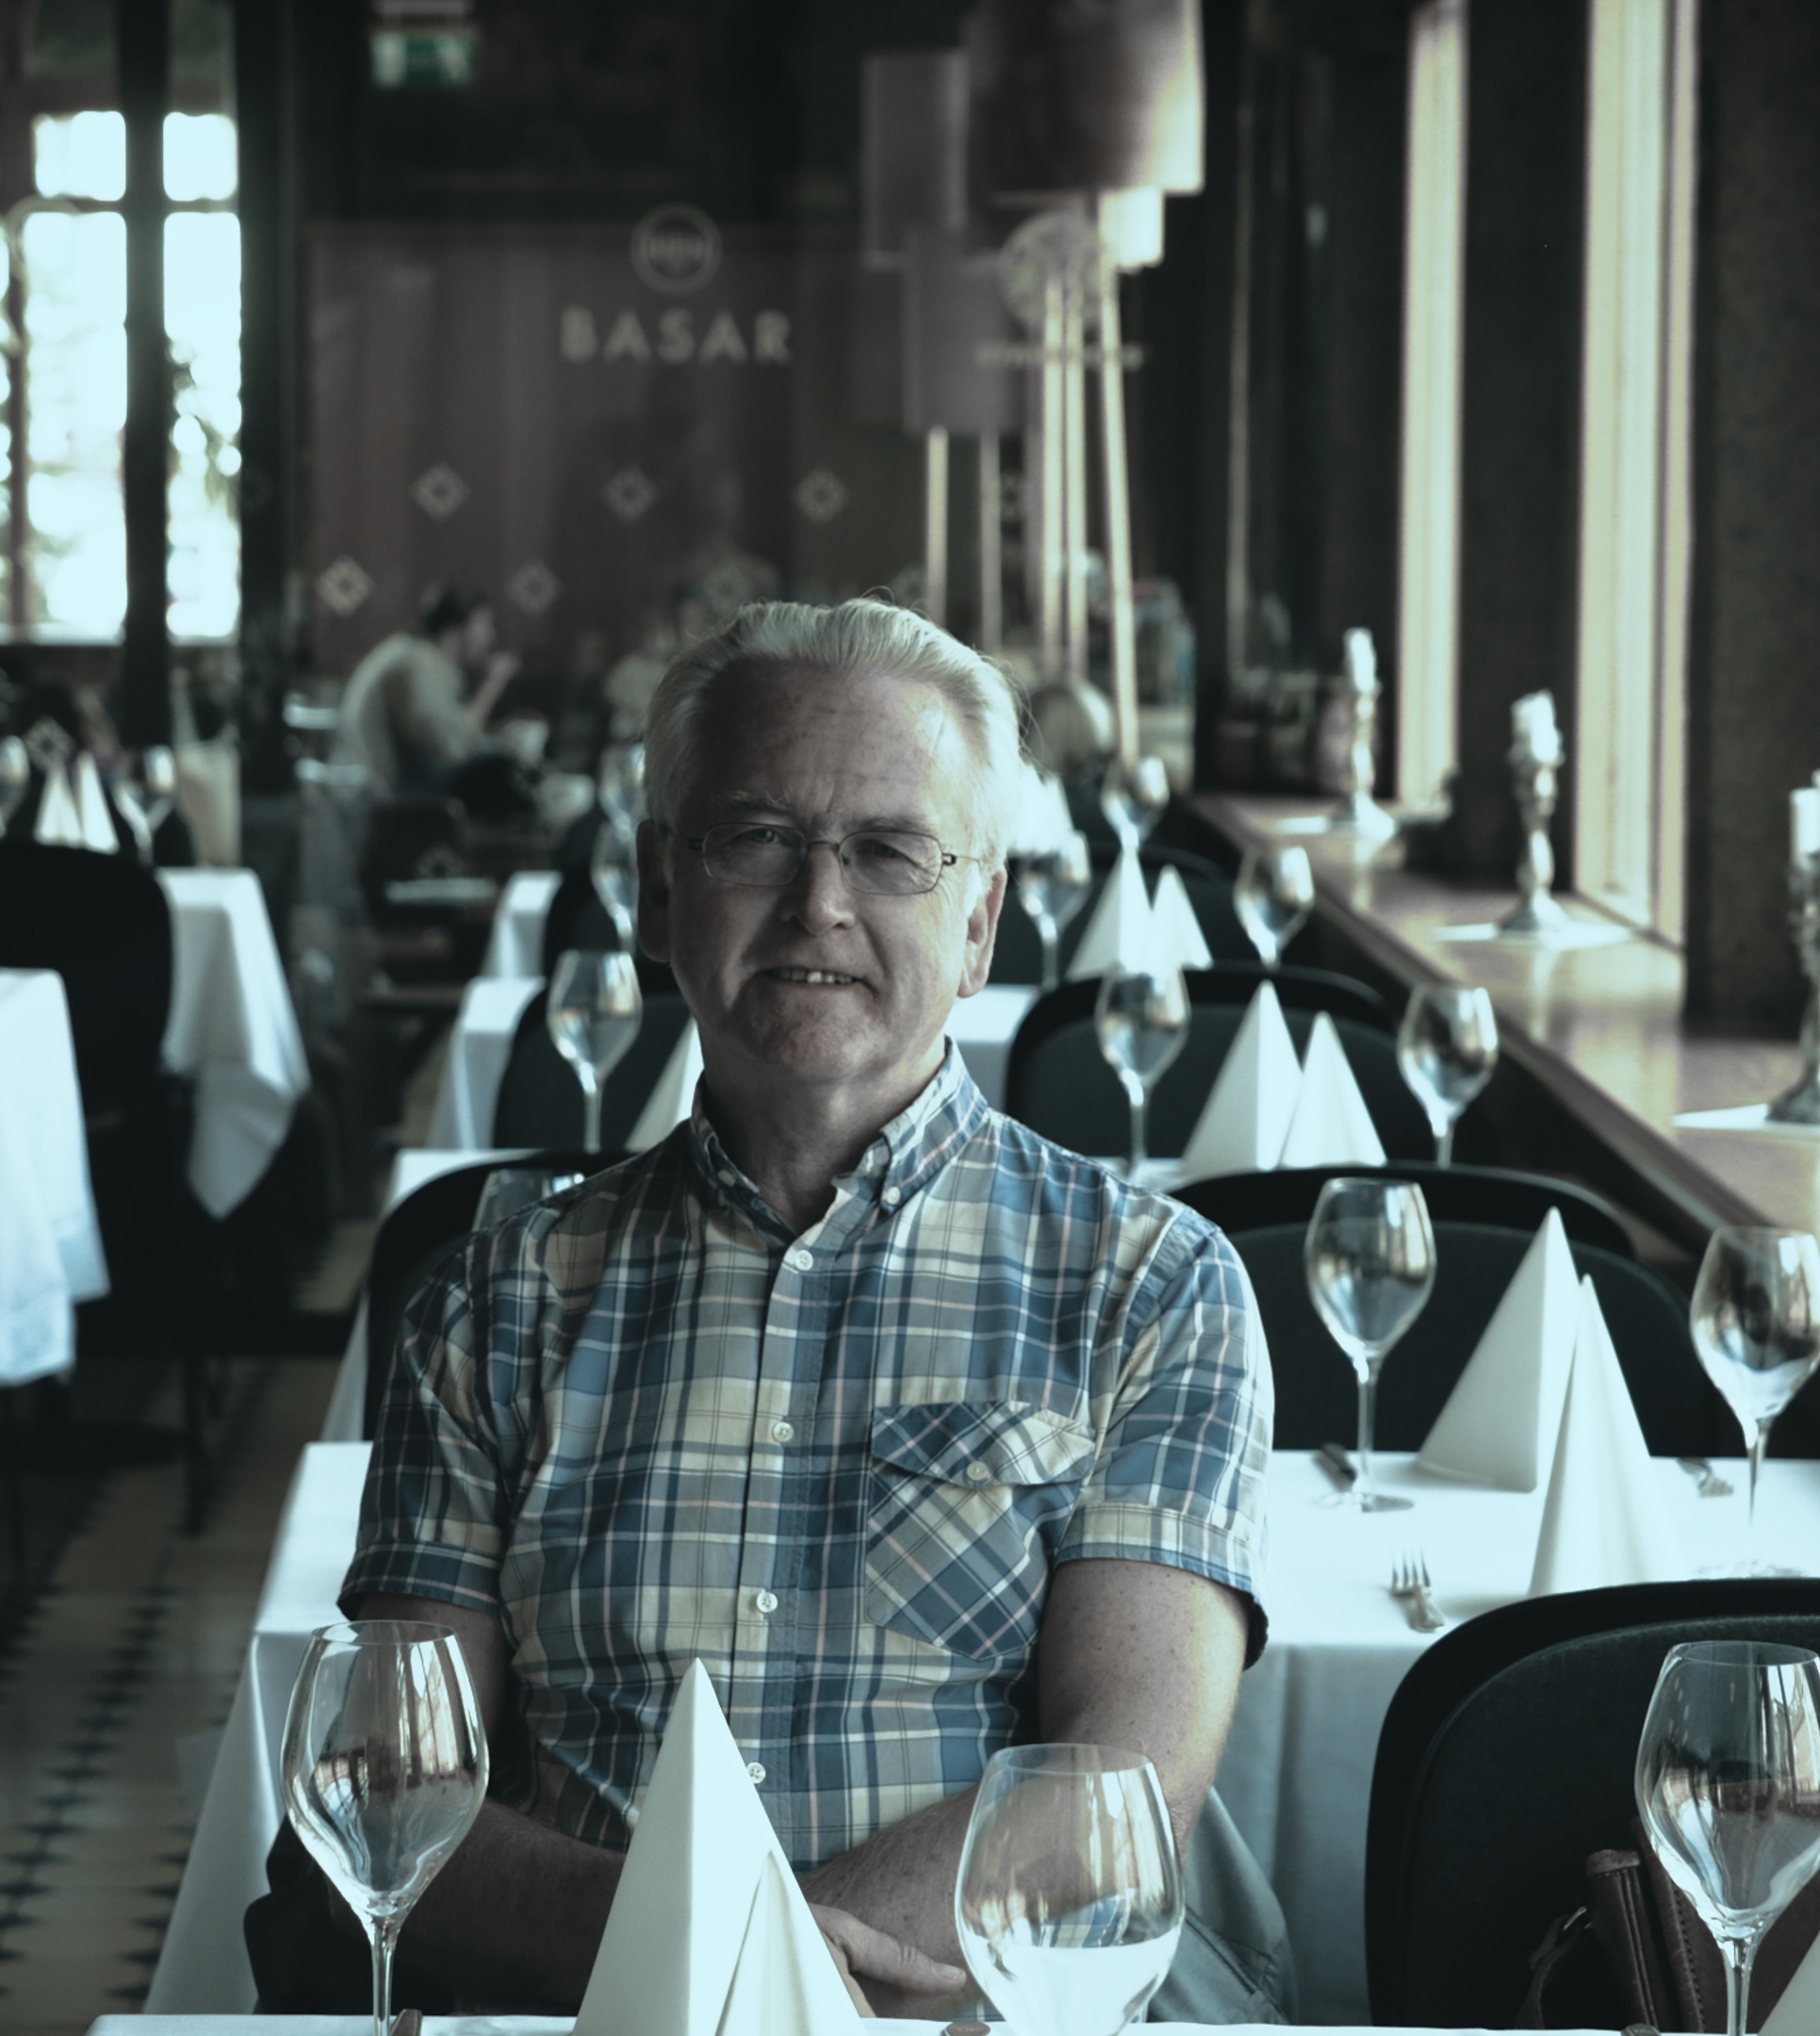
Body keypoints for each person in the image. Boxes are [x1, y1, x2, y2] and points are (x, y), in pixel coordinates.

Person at [258, 598, 1293, 2022]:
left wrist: (735, 1967)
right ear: (654, 893)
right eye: (755, 838)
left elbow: (1117, 1792)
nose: (820, 905)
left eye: (891, 850)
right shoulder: (490, 1302)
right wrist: (726, 1977)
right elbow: (394, 1798)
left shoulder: (1152, 1286)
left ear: (980, 918)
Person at [337, 583, 516, 798]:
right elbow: (450, 748)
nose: (490, 637)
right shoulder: (419, 663)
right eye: (483, 625)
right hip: (382, 796)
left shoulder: (420, 657)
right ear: (455, 629)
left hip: (379, 787)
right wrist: (492, 685)